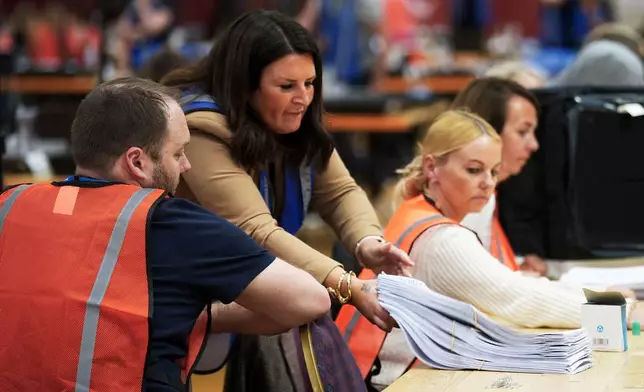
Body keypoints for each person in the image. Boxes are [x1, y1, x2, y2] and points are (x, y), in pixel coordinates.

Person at [0, 78, 332, 392]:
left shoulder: (10, 204)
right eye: (177, 153)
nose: (186, 165)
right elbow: (309, 300)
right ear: (137, 162)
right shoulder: (171, 222)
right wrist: (207, 315)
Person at [162, 10, 413, 391]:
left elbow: (340, 191)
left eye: (310, 83)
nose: (304, 98)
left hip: (249, 290)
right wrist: (346, 285)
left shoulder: (291, 120)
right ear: (244, 85)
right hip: (192, 309)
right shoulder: (198, 131)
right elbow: (255, 231)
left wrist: (368, 242)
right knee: (304, 304)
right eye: (287, 86)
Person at [337, 109, 638, 390]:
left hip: (381, 372)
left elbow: (509, 289)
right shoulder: (444, 241)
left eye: (493, 172)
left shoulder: (418, 211)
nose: (487, 184)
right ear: (431, 167)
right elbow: (516, 298)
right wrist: (607, 310)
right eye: (473, 170)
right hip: (395, 381)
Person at [450, 77, 546, 276]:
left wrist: (514, 265)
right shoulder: (467, 197)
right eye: (522, 132)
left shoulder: (480, 191)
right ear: (487, 131)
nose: (534, 144)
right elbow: (475, 285)